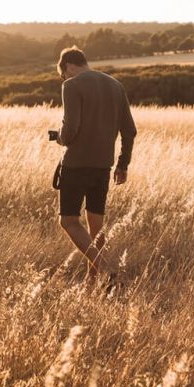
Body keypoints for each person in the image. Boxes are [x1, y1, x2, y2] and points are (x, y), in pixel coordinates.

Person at [53, 46, 136, 287]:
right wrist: (123, 164)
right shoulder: (115, 85)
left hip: (76, 164)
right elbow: (129, 131)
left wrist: (58, 137)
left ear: (68, 66)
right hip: (103, 166)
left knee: (68, 221)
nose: (64, 79)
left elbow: (69, 132)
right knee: (95, 226)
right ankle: (92, 282)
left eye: (63, 74)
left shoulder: (72, 85)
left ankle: (107, 269)